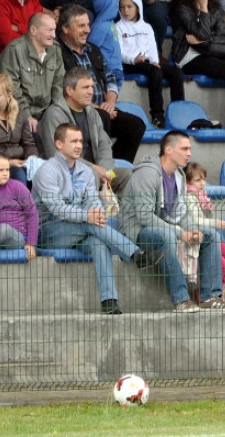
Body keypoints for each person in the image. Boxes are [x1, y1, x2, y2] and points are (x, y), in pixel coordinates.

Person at [34, 122, 160, 315]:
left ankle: (109, 301)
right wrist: (88, 216)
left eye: (81, 141)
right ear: (59, 144)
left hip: (82, 229)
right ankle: (135, 254)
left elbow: (93, 200)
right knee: (89, 225)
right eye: (73, 141)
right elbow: (57, 208)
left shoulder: (85, 171)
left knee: (98, 242)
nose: (79, 146)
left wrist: (96, 212)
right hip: (50, 231)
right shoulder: (46, 170)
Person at [118, 131, 225, 313]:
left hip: (163, 228)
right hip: (136, 231)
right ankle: (181, 299)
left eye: (189, 149)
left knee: (210, 234)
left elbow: (181, 212)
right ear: (169, 150)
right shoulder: (147, 174)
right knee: (166, 236)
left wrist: (193, 230)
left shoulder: (179, 175)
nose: (189, 153)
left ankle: (210, 297)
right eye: (184, 148)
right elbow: (145, 217)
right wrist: (181, 233)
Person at [55, 4, 145, 164]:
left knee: (136, 125)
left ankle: (114, 174)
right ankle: (100, 171)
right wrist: (96, 108)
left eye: (88, 25)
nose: (88, 30)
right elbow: (62, 89)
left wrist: (110, 102)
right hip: (76, 111)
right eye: (81, 25)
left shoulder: (93, 50)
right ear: (65, 28)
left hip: (102, 108)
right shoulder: (56, 52)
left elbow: (110, 78)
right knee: (102, 117)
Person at [36, 67, 134, 196]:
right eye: (85, 87)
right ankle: (96, 211)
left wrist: (104, 170)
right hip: (68, 174)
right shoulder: (54, 115)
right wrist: (94, 169)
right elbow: (56, 154)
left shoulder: (92, 112)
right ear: (69, 90)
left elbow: (104, 144)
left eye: (92, 87)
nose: (91, 92)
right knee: (91, 175)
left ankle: (123, 215)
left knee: (126, 174)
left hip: (98, 171)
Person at [118, 0, 184, 128]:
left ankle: (179, 111)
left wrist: (155, 61)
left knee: (176, 73)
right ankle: (157, 115)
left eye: (129, 6)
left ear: (138, 7)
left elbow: (152, 46)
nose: (126, 11)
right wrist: (133, 60)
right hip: (128, 64)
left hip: (146, 62)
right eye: (122, 7)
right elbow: (119, 52)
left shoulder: (146, 27)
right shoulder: (118, 27)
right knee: (156, 72)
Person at [0, 11, 64, 133]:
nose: (54, 35)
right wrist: (26, 115)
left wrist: (54, 112)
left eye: (54, 30)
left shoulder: (55, 49)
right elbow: (10, 88)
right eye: (49, 30)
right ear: (33, 30)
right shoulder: (15, 50)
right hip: (20, 113)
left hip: (49, 112)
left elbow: (58, 84)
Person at [184, 164, 225, 299]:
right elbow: (196, 220)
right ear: (188, 181)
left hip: (212, 234)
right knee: (223, 266)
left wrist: (215, 223)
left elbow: (207, 217)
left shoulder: (203, 195)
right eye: (198, 180)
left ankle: (220, 292)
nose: (202, 183)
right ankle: (206, 294)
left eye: (204, 179)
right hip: (202, 235)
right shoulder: (189, 196)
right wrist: (216, 223)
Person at [0, 151, 38, 265]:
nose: (5, 173)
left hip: (16, 237)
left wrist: (31, 242)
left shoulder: (18, 186)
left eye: (7, 170)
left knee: (4, 228)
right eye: (0, 170)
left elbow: (32, 213)